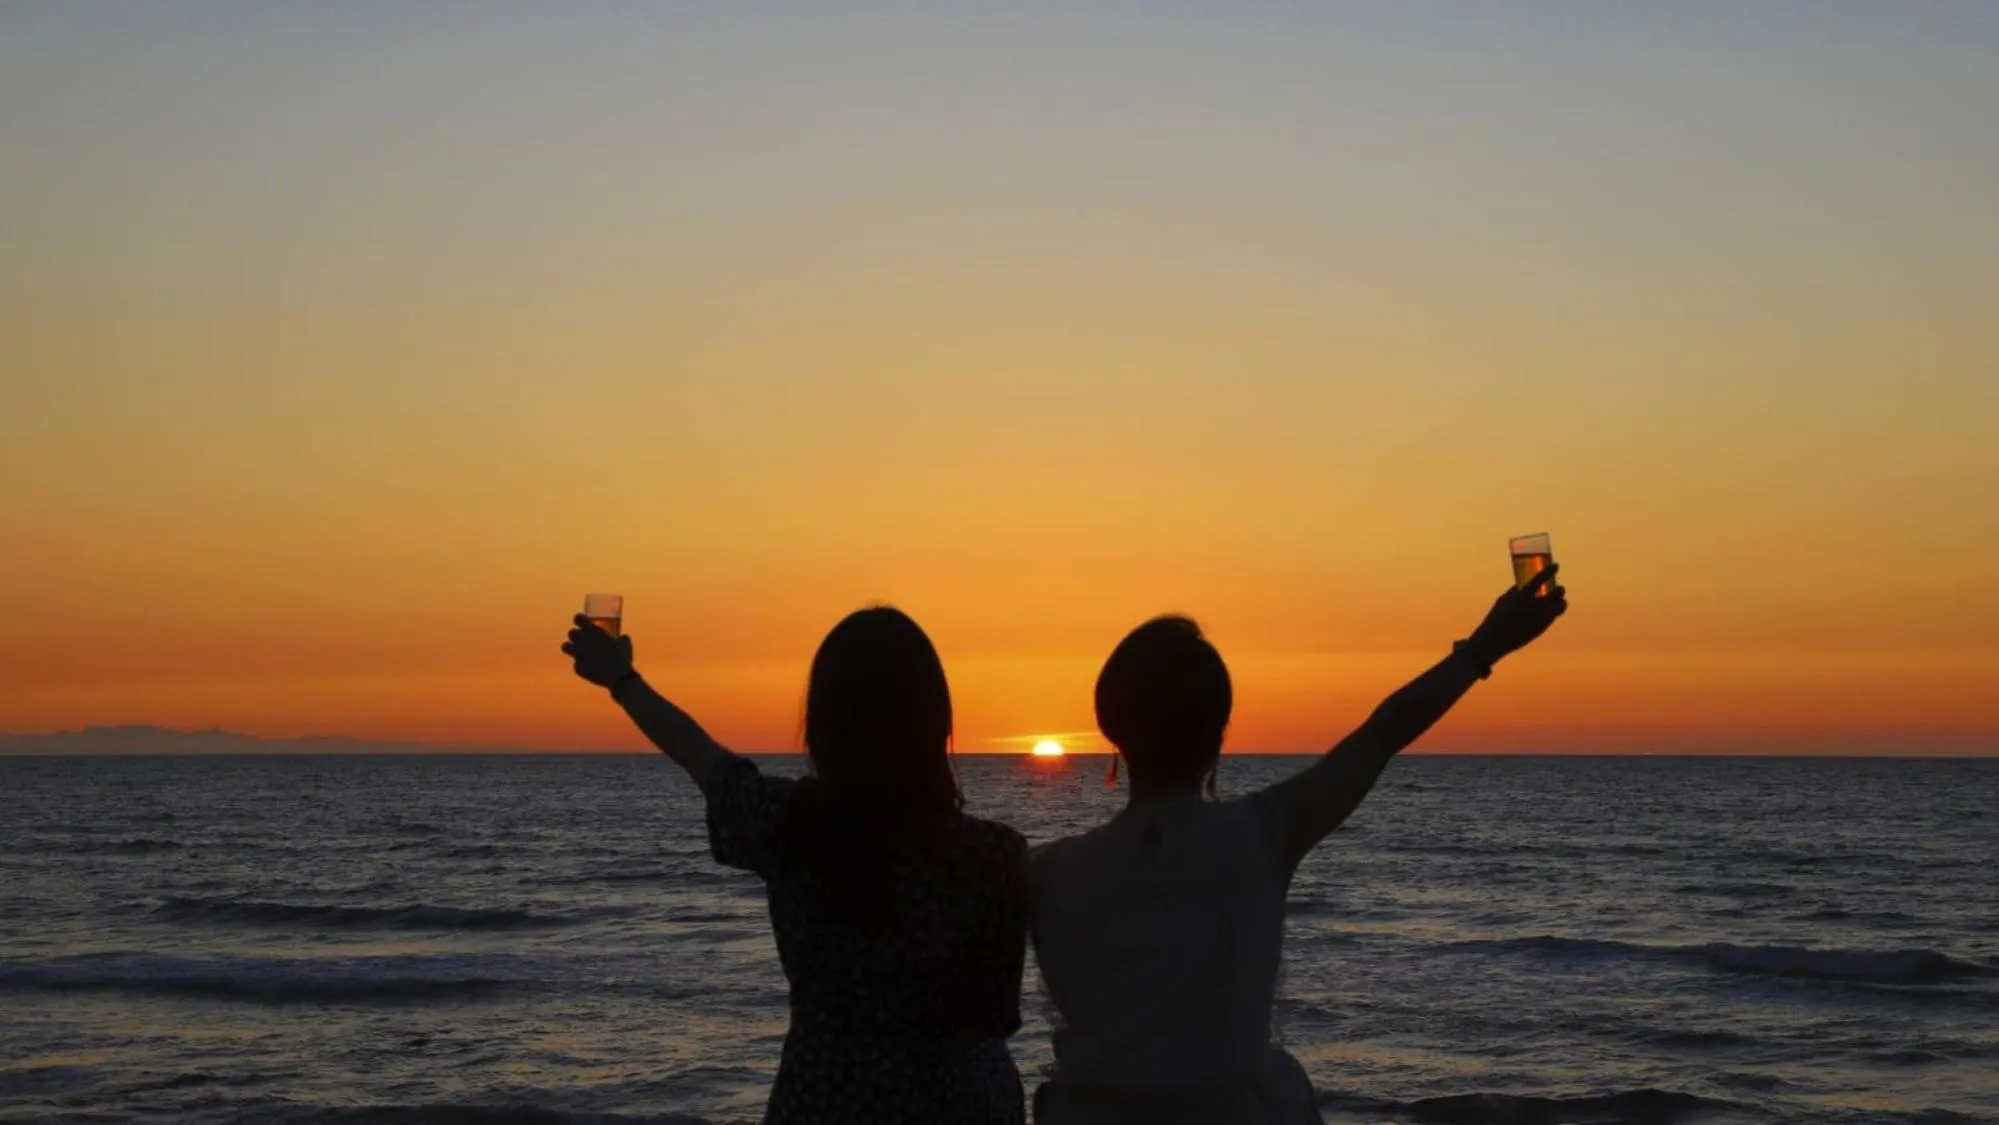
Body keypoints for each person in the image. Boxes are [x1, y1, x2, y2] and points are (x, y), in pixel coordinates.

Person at [1028, 566, 1569, 1125]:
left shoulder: (1045, 875)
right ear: (1219, 729)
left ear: (1108, 723)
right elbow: (1382, 734)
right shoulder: (1261, 834)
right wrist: (1485, 648)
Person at [563, 605, 1028, 1125]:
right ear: (936, 722)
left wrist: (621, 680)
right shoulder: (994, 855)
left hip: (820, 1097)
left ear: (823, 724)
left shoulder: (788, 825)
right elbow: (995, 1014)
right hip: (954, 1106)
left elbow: (702, 757)